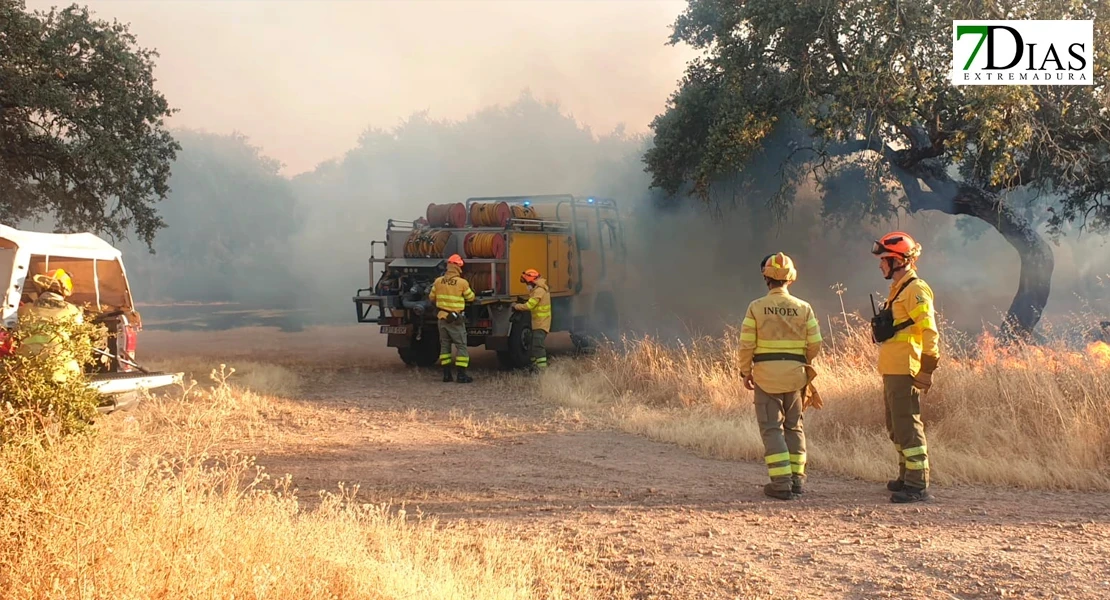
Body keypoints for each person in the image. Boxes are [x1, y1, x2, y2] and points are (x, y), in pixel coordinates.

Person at [738, 253, 823, 500]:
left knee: (772, 428)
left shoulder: (756, 307)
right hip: (796, 377)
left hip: (766, 378)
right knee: (794, 427)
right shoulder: (804, 308)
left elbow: (746, 346)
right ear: (791, 278)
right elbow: (815, 344)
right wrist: (801, 362)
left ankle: (781, 483)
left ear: (766, 277)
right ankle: (797, 481)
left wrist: (745, 372)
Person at [870, 231, 940, 504]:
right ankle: (905, 474)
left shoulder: (916, 289)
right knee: (895, 425)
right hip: (892, 366)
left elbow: (929, 331)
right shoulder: (898, 289)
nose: (880, 265)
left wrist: (928, 368)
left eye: (884, 259)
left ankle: (917, 484)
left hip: (906, 367)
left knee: (908, 425)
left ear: (898, 261)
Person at [15, 268, 86, 383]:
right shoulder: (72, 311)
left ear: (41, 288)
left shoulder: (25, 309)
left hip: (27, 370)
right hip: (61, 372)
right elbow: (82, 342)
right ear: (65, 292)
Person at [428, 254, 476, 383]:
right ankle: (461, 375)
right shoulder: (462, 282)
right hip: (455, 319)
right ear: (458, 267)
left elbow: (432, 297)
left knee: (445, 346)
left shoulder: (438, 281)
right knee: (461, 346)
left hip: (442, 318)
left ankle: (446, 375)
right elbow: (471, 297)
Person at [512, 269, 551, 372]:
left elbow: (530, 305)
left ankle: (542, 370)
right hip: (537, 323)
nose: (526, 285)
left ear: (532, 281)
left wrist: (516, 306)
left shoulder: (539, 291)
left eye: (527, 282)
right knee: (534, 346)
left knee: (538, 346)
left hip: (541, 324)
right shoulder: (537, 290)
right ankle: (534, 367)